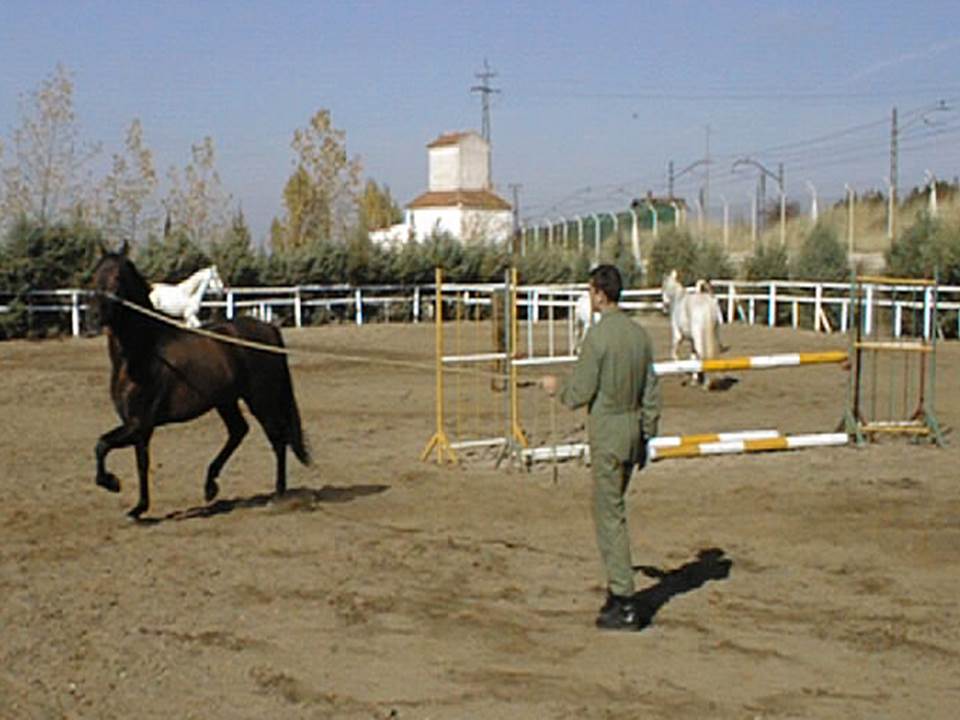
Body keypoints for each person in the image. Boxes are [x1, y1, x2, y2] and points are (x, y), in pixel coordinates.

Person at [540, 264, 660, 631]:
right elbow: (652, 393)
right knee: (613, 510)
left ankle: (625, 600)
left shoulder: (598, 337)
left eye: (590, 291)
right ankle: (617, 588)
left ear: (599, 294)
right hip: (632, 433)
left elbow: (580, 392)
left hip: (608, 434)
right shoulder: (640, 336)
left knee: (610, 517)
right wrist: (646, 434)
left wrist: (555, 388)